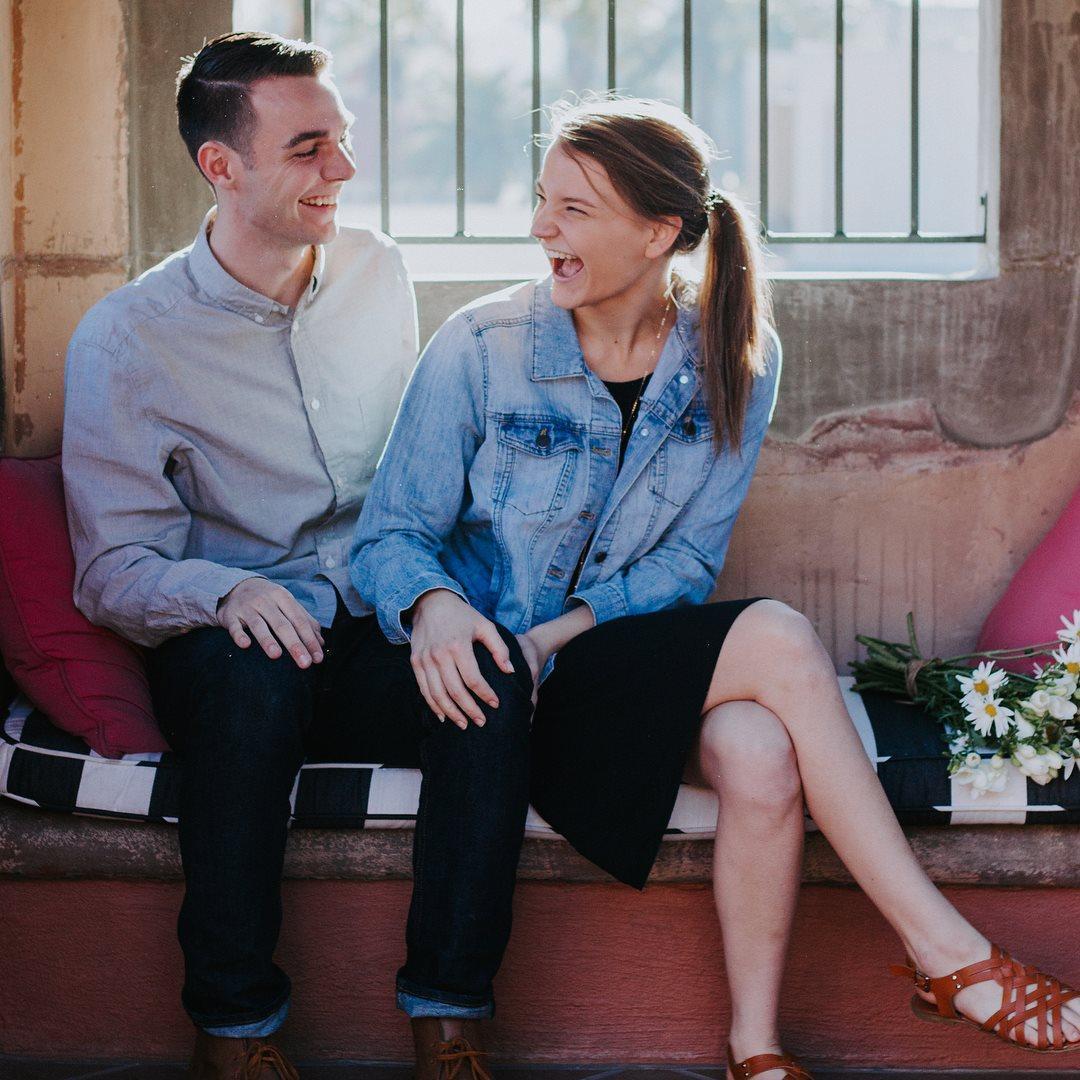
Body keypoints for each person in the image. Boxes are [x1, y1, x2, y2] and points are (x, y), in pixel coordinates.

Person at [351, 96, 1080, 1080]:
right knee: (776, 639)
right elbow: (390, 537)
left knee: (758, 745)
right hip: (487, 691)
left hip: (595, 661)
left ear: (656, 233)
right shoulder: (481, 348)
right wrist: (438, 607)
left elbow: (685, 567)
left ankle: (756, 1050)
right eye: (541, 202)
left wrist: (561, 633)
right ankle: (945, 951)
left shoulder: (734, 354)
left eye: (573, 210)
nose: (539, 230)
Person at [62, 31, 531, 1080]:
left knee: (489, 681)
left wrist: (440, 599)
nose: (345, 173)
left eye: (345, 141)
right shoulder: (126, 338)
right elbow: (110, 567)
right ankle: (236, 1035)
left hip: (370, 612)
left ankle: (450, 1018)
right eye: (310, 148)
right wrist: (226, 589)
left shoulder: (381, 271)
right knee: (251, 691)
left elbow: (417, 484)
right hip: (229, 637)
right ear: (221, 167)